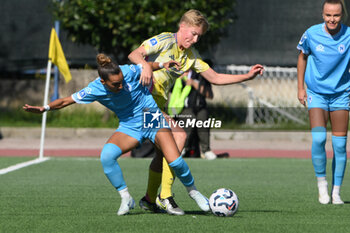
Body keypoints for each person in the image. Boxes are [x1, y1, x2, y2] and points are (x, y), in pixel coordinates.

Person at [23, 54, 210, 215]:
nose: (122, 86)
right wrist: (45, 108)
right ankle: (126, 198)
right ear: (103, 82)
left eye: (122, 81)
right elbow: (66, 101)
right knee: (107, 156)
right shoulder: (95, 88)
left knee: (175, 161)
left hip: (150, 116)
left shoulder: (127, 71)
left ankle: (193, 192)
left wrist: (162, 65)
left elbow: (147, 66)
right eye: (116, 84)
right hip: (129, 126)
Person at [128, 9, 264, 215]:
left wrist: (246, 76)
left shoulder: (191, 57)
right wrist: (145, 67)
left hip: (157, 105)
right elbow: (134, 54)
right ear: (182, 27)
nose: (195, 38)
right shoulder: (165, 40)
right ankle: (165, 196)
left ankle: (149, 199)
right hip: (141, 102)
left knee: (162, 154)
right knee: (179, 135)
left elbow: (215, 78)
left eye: (198, 35)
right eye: (192, 33)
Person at [297, 0, 350, 205]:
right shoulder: (311, 34)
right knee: (319, 139)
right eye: (328, 15)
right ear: (322, 14)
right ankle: (322, 185)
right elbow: (302, 58)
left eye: (336, 15)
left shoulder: (348, 35)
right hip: (317, 94)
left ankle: (336, 191)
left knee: (340, 144)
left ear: (342, 15)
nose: (332, 19)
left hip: (341, 95)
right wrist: (301, 88)